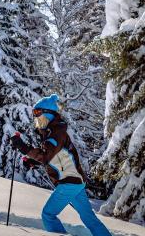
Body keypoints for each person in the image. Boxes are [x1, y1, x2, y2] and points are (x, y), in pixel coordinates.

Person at [10, 94, 111, 236]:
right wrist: (33, 161)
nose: (35, 117)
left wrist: (24, 148)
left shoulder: (56, 132)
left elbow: (46, 155)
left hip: (69, 182)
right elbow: (54, 156)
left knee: (48, 214)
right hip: (75, 182)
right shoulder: (53, 132)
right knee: (89, 219)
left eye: (38, 113)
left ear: (49, 113)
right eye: (34, 113)